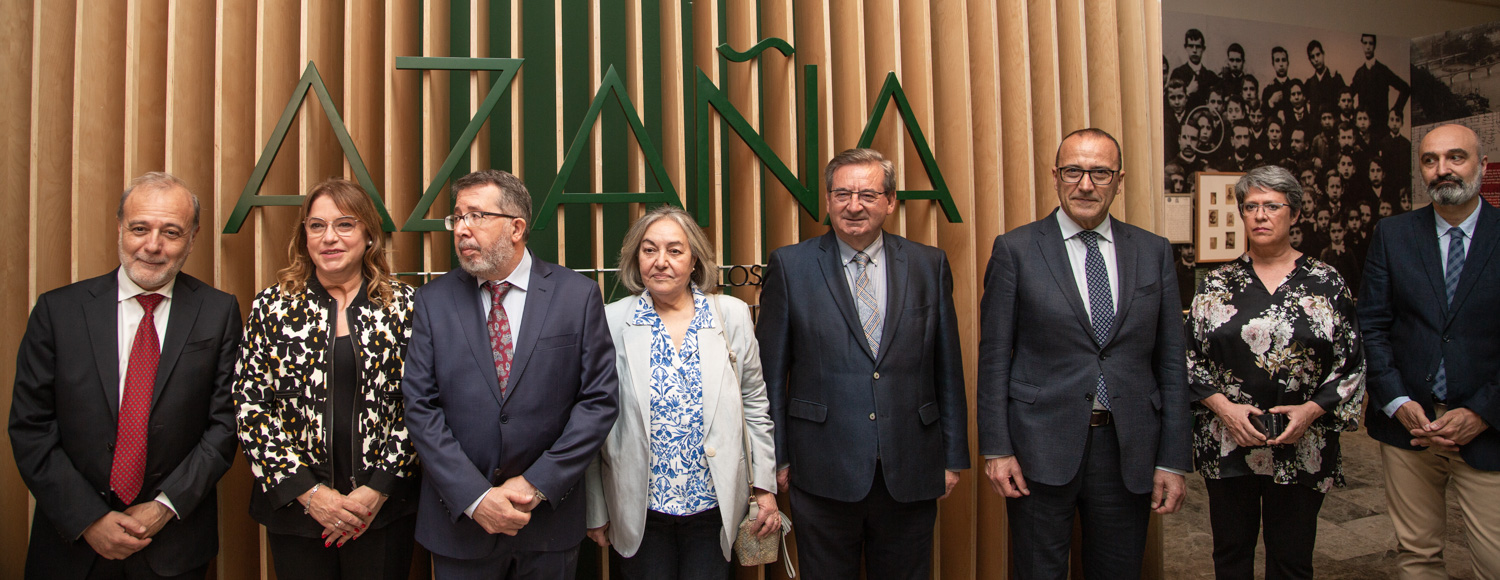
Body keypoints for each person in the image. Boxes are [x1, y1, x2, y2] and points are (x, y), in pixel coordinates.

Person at [979, 128, 1189, 579]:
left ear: (1119, 180)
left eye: (1100, 172)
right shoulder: (1015, 250)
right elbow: (995, 357)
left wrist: (1172, 458)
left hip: (1128, 448)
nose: (1086, 184)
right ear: (1056, 176)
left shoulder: (1152, 252)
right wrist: (997, 449)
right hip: (1038, 447)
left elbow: (1172, 362)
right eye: (1074, 171)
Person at [10, 173, 241, 579]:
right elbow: (31, 427)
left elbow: (224, 425)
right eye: (139, 228)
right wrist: (89, 519)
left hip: (173, 546)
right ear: (120, 227)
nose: (153, 245)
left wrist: (164, 506)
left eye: (171, 232)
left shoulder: (218, 313)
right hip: (71, 545)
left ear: (192, 237)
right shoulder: (58, 312)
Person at [757, 147, 969, 579]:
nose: (854, 206)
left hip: (911, 464)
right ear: (828, 201)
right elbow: (769, 376)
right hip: (820, 467)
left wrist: (951, 456)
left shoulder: (929, 265)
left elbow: (947, 366)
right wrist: (775, 459)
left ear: (891, 202)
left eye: (868, 195)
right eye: (842, 194)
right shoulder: (791, 266)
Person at [401, 169, 619, 578]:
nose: (462, 229)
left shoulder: (577, 296)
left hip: (546, 525)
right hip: (461, 526)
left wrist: (536, 483)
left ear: (516, 227)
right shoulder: (432, 302)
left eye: (476, 216)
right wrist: (476, 497)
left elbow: (599, 402)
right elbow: (420, 407)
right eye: (457, 218)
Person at [232, 178, 420, 579]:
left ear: (369, 233)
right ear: (304, 236)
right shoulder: (273, 306)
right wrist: (312, 495)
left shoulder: (405, 305)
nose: (329, 237)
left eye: (345, 225)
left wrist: (377, 489)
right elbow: (251, 405)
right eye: (316, 226)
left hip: (381, 510)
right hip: (297, 513)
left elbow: (422, 402)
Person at [1187, 166, 1366, 579]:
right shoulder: (1216, 284)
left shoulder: (1326, 282)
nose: (1261, 215)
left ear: (1295, 214)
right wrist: (1224, 409)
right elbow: (1189, 360)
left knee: (1292, 558)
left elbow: (1351, 362)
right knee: (1231, 554)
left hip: (1303, 442)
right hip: (1229, 440)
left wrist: (1311, 411)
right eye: (1251, 206)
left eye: (1272, 206)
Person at [583, 206, 779, 578]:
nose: (661, 262)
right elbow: (594, 420)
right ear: (635, 258)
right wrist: (596, 509)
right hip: (639, 510)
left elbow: (755, 404)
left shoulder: (731, 316)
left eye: (675, 250)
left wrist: (764, 487)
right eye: (649, 249)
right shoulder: (613, 320)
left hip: (715, 505)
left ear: (694, 262)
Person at [1359, 123, 1500, 578]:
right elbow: (1373, 326)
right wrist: (1397, 401)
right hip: (1409, 430)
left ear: (1482, 164)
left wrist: (1480, 412)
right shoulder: (1393, 234)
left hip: (1489, 430)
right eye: (1431, 160)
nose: (1443, 170)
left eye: (1456, 157)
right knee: (1417, 557)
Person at [1350, 34, 1410, 124]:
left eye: (1371, 43)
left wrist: (1395, 110)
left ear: (1375, 45)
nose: (1368, 47)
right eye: (1365, 43)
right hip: (1364, 127)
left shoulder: (1383, 70)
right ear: (1362, 45)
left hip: (1381, 125)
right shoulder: (1359, 73)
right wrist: (1355, 114)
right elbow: (1348, 94)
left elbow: (1405, 88)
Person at [1170, 29, 1219, 108]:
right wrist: (1188, 91)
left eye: (1198, 47)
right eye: (1191, 46)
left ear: (1203, 49)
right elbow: (1170, 102)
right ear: (1185, 47)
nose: (1194, 50)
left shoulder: (1211, 77)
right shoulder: (1178, 73)